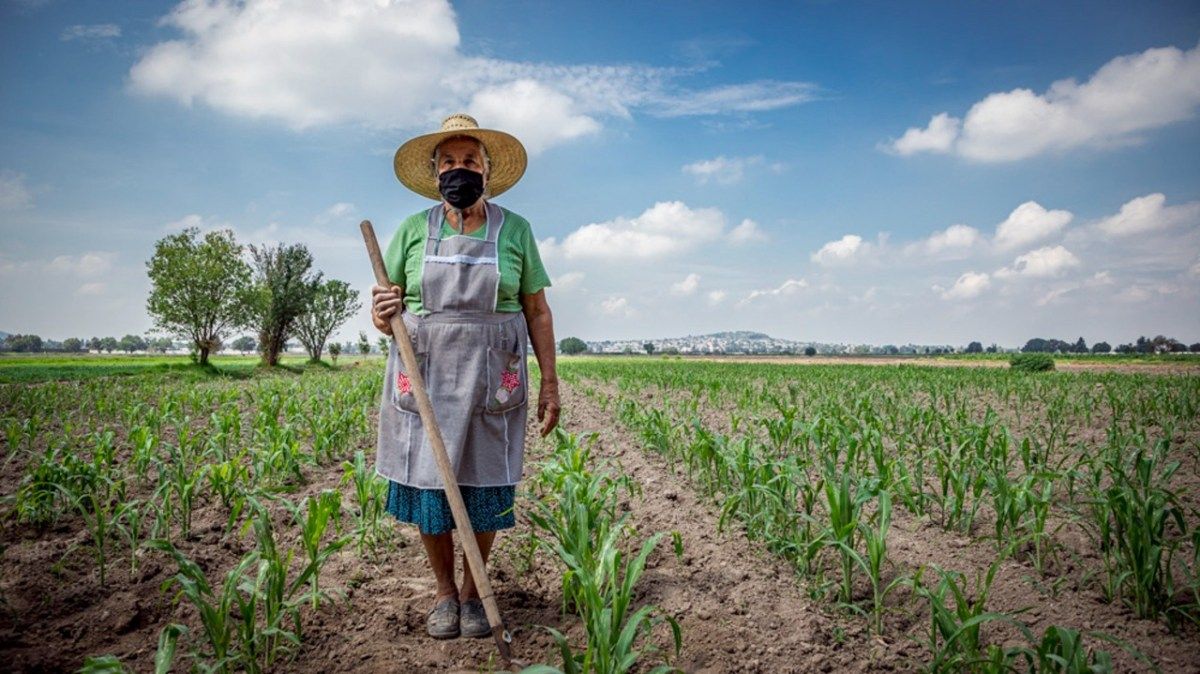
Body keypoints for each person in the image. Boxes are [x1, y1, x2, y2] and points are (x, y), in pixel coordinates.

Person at [370, 113, 561, 640]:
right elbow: (385, 312)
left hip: (491, 373)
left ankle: (477, 593)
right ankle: (445, 595)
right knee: (432, 487)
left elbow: (537, 311)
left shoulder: (515, 229)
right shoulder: (412, 230)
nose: (460, 170)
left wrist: (550, 381)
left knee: (482, 484)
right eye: (449, 162)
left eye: (469, 161)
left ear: (487, 170)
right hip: (426, 371)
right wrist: (382, 308)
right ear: (435, 175)